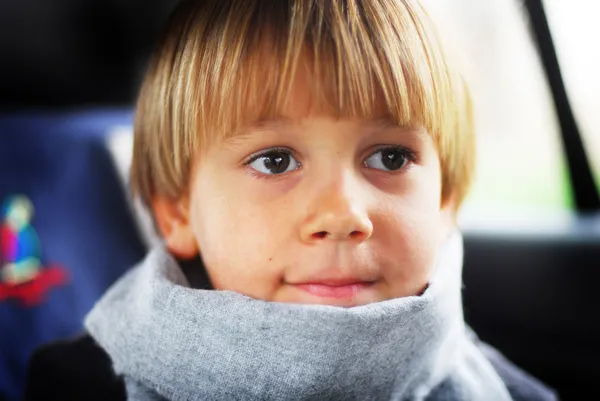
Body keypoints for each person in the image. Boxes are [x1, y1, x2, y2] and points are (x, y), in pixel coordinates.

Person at [23, 0, 558, 400]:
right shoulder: (79, 384)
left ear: (446, 202)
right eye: (275, 161)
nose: (344, 213)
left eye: (390, 158)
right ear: (178, 211)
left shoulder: (507, 391)